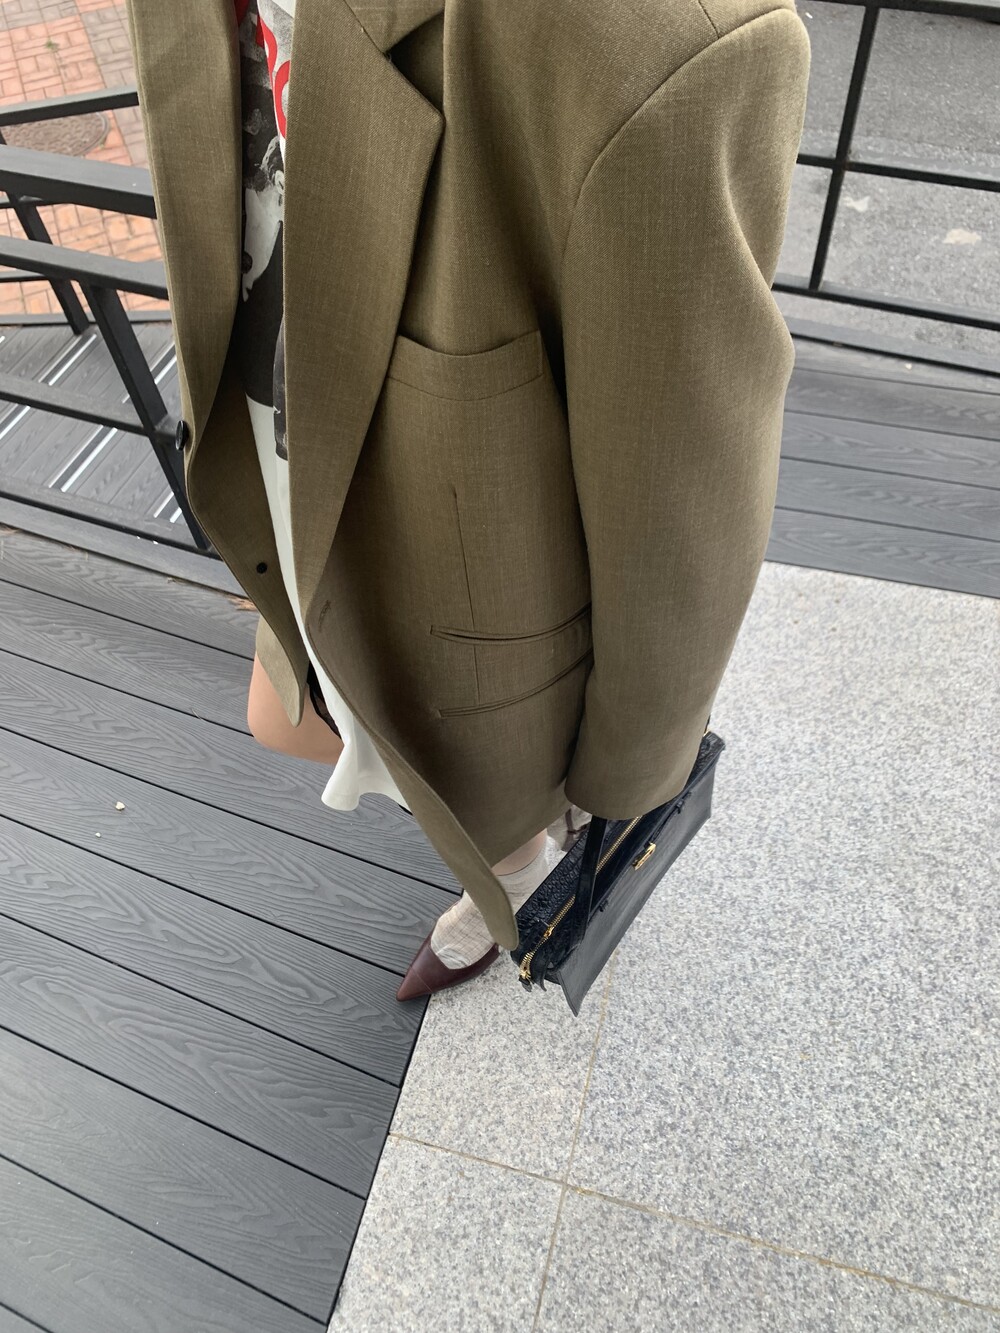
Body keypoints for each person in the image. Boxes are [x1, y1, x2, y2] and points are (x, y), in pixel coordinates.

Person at [235, 0, 584, 999]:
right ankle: (523, 829)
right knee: (288, 711)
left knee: (407, 712)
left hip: (438, 389)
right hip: (281, 366)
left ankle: (520, 848)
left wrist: (636, 751)